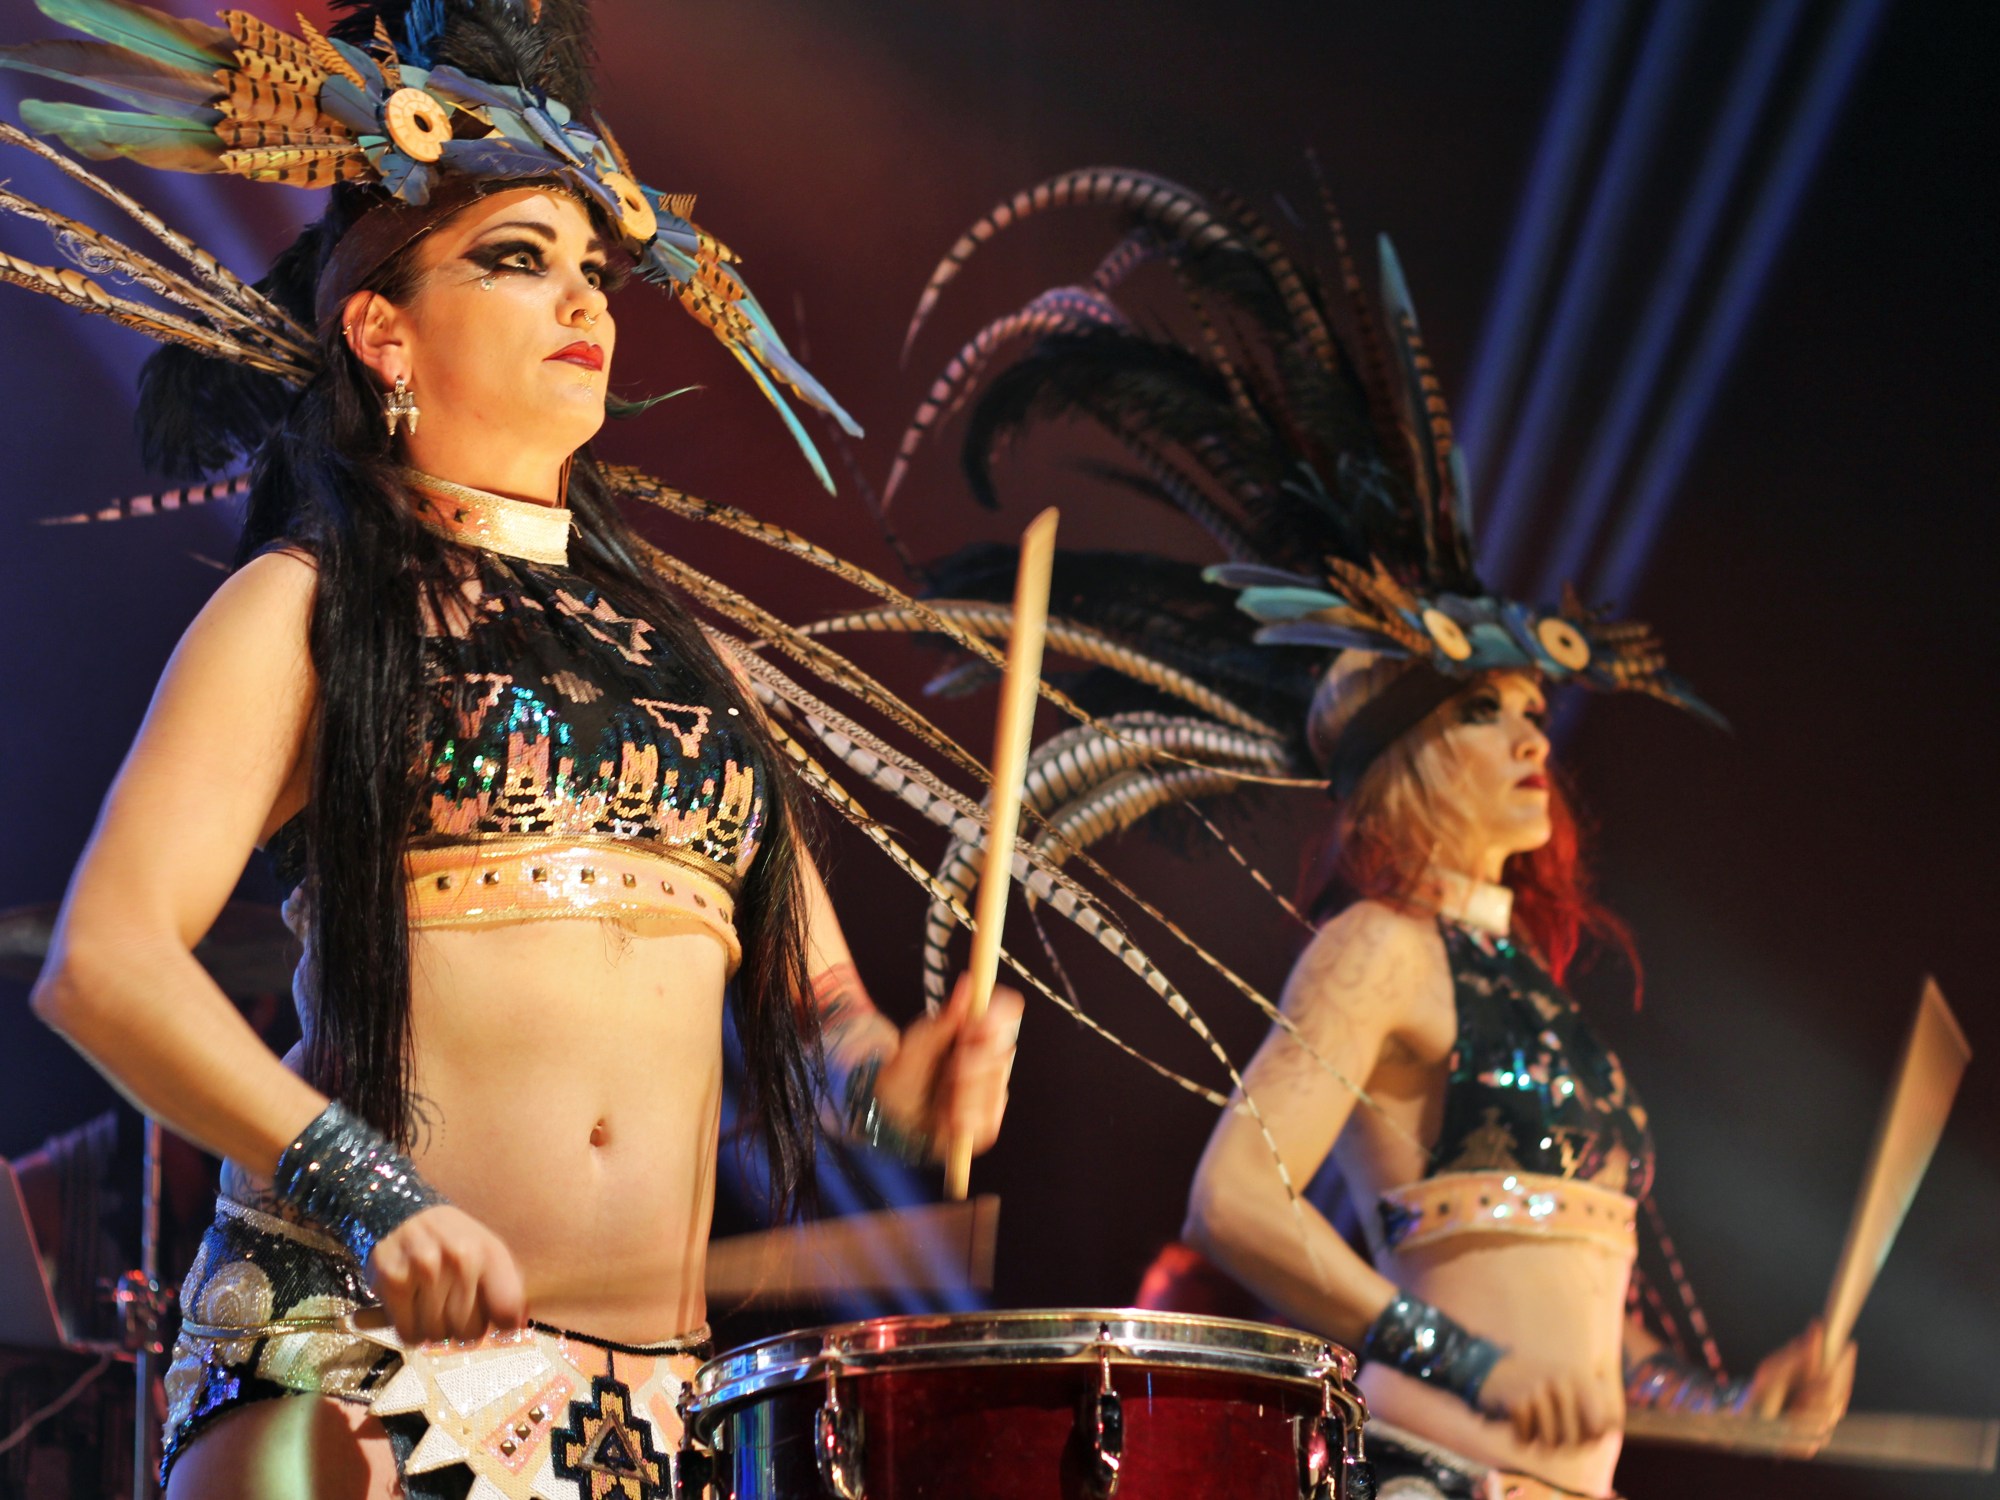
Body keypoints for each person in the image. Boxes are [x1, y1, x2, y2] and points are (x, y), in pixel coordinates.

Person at [4, 3, 1020, 1495]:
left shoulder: (694, 665)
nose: (582, 296)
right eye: (518, 258)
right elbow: (105, 964)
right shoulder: (305, 606)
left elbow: (820, 1007)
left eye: (594, 268)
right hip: (358, 1365)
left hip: (647, 1416)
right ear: (383, 332)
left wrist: (900, 1090)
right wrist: (376, 1197)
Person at [886, 166, 1854, 1499]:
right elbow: (1234, 1199)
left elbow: (1585, 1338)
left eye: (1535, 712)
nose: (1532, 741)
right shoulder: (1379, 950)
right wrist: (1464, 1360)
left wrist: (1729, 1401)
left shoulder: (1534, 992)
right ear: (1404, 761)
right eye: (1483, 713)